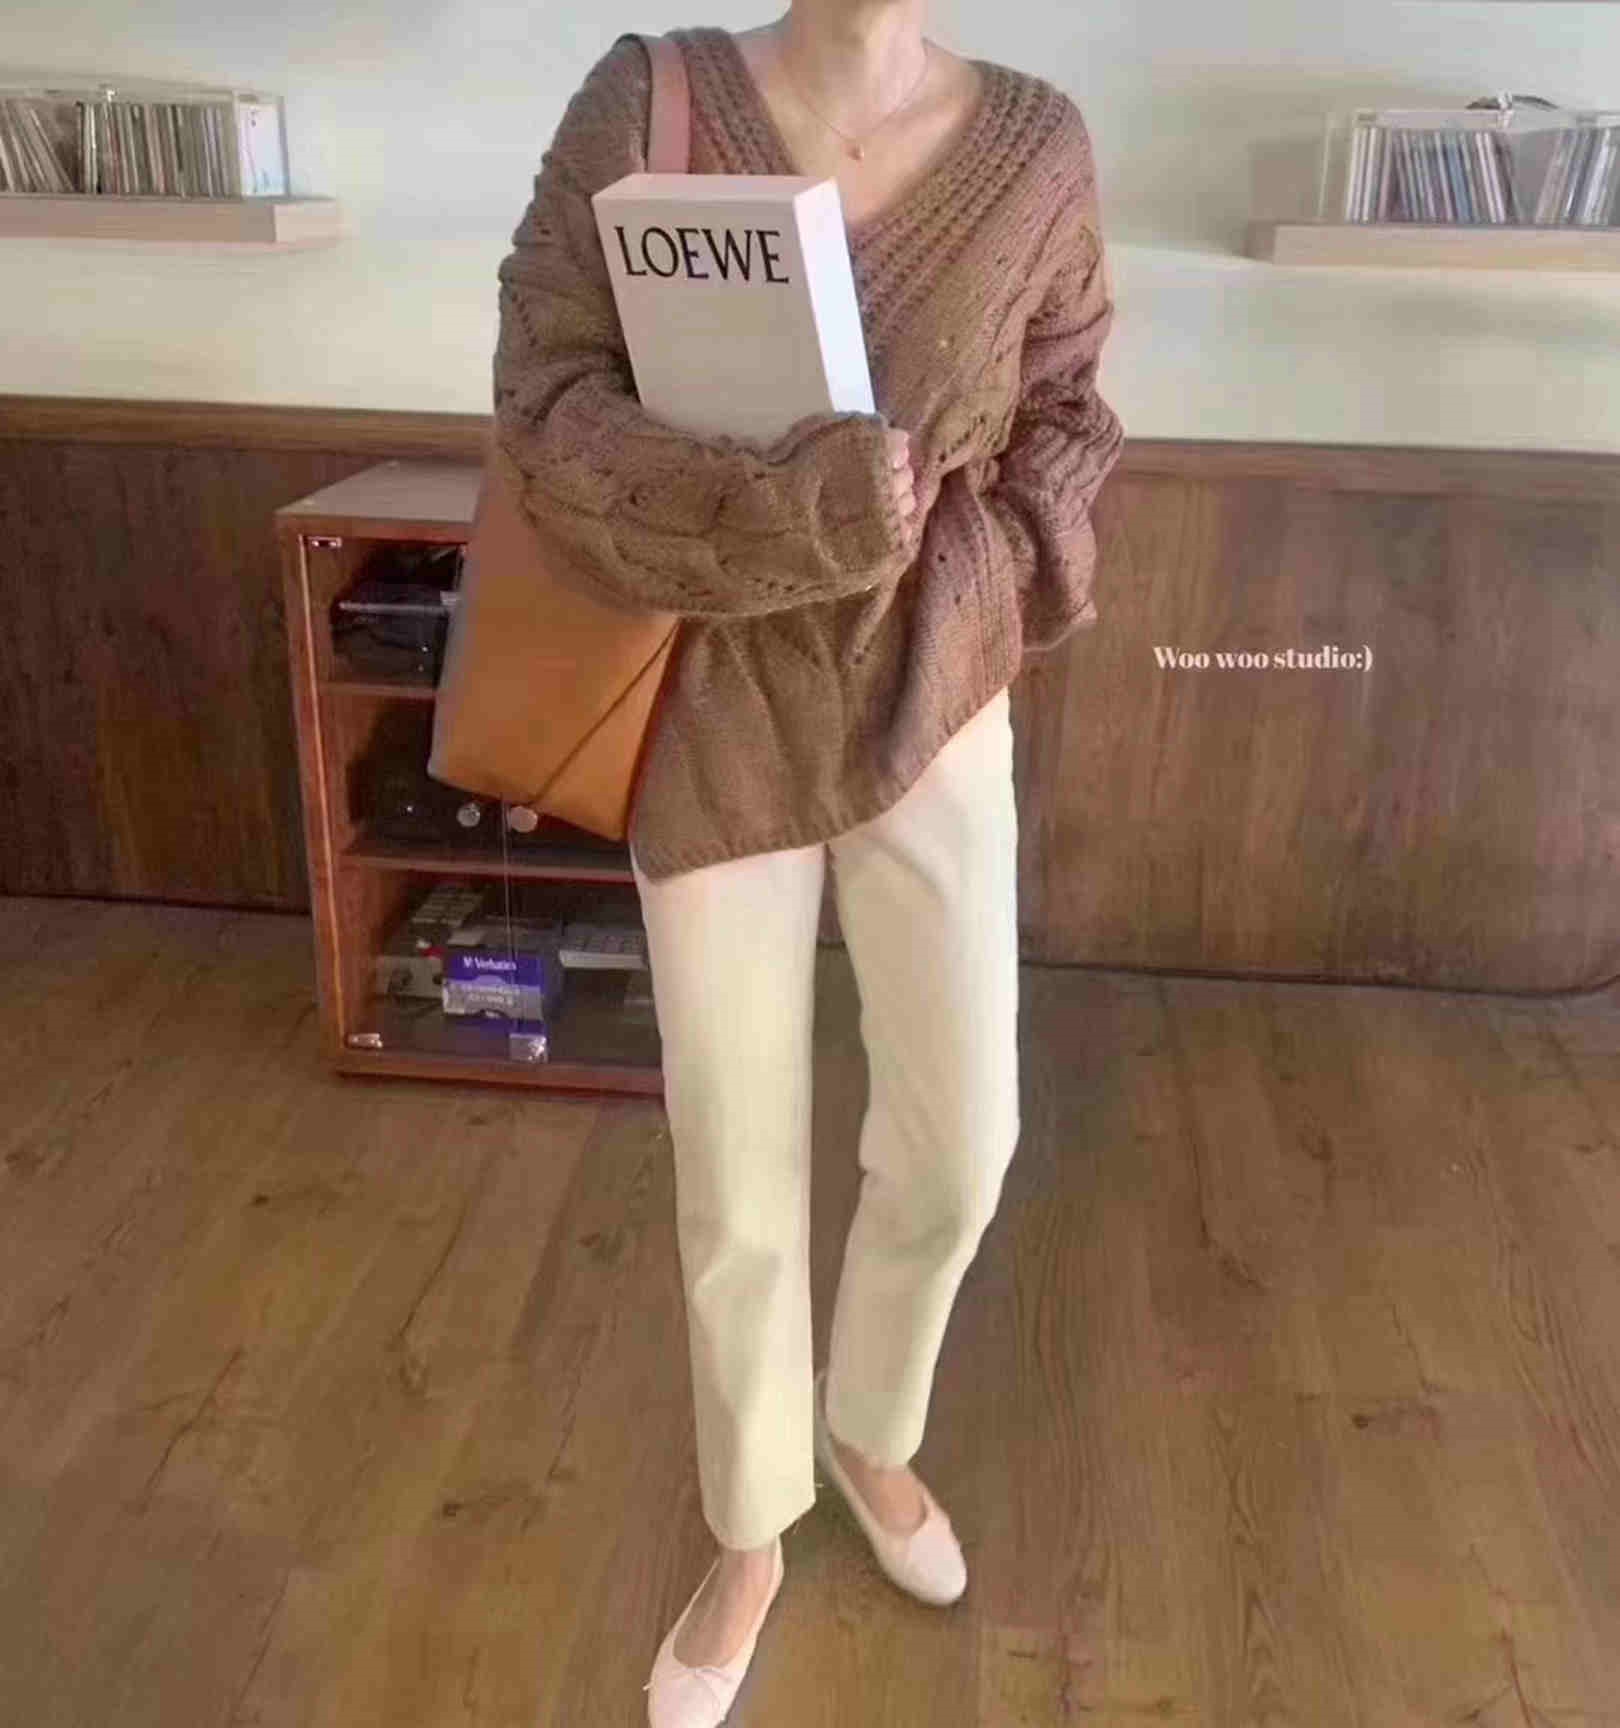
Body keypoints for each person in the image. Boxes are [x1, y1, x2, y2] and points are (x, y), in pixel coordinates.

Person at [490, 5, 1124, 1723]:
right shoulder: (651, 97)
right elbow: (549, 402)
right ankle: (750, 1529)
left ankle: (869, 1430)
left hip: (937, 692)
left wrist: (980, 570)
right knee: (736, 1169)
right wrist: (799, 516)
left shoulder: (1037, 142)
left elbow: (1071, 407)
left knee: (964, 1138)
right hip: (707, 700)